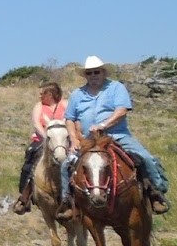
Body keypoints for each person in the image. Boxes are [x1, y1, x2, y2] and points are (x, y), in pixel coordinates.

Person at [58, 56, 170, 218]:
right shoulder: (77, 94)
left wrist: (103, 125)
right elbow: (70, 118)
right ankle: (67, 202)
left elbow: (121, 111)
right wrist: (74, 139)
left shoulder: (116, 88)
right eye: (89, 73)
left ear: (103, 73)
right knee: (66, 165)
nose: (93, 75)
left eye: (96, 72)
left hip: (117, 135)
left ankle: (155, 193)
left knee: (145, 158)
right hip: (88, 140)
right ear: (85, 75)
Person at [12, 82, 65, 214]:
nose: (39, 96)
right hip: (43, 139)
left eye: (42, 93)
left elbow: (71, 121)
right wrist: (46, 138)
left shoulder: (65, 105)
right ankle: (25, 196)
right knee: (31, 159)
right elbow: (37, 123)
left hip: (63, 139)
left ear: (51, 94)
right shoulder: (39, 106)